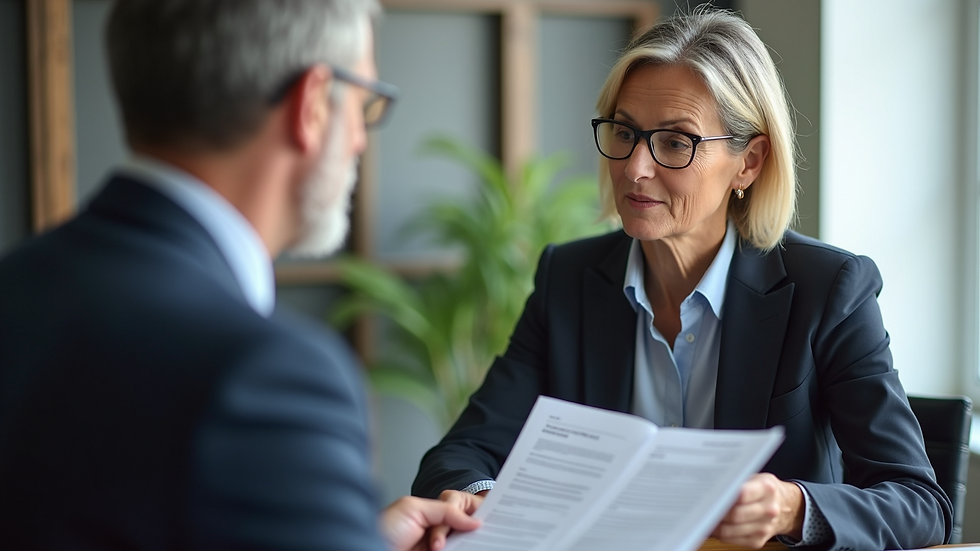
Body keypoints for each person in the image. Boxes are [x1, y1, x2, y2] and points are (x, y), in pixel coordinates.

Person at [412, 8, 952, 551]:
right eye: (625, 132)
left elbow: (920, 503)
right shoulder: (570, 279)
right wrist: (480, 496)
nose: (634, 167)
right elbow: (463, 452)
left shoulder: (829, 289)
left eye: (675, 142)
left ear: (749, 163)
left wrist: (793, 507)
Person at [0, 1, 480, 549]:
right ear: (313, 105)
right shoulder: (269, 376)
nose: (360, 142)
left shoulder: (17, 284)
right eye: (365, 106)